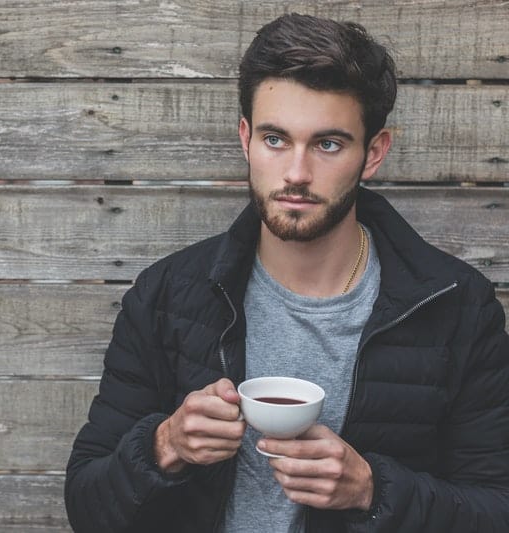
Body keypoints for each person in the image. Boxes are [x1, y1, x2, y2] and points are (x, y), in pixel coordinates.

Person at [65, 13, 509, 533]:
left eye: (328, 144)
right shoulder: (166, 296)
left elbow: (496, 507)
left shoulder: (455, 306)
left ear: (374, 153)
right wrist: (165, 446)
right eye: (276, 139)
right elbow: (87, 506)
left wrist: (373, 491)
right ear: (245, 139)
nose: (296, 173)